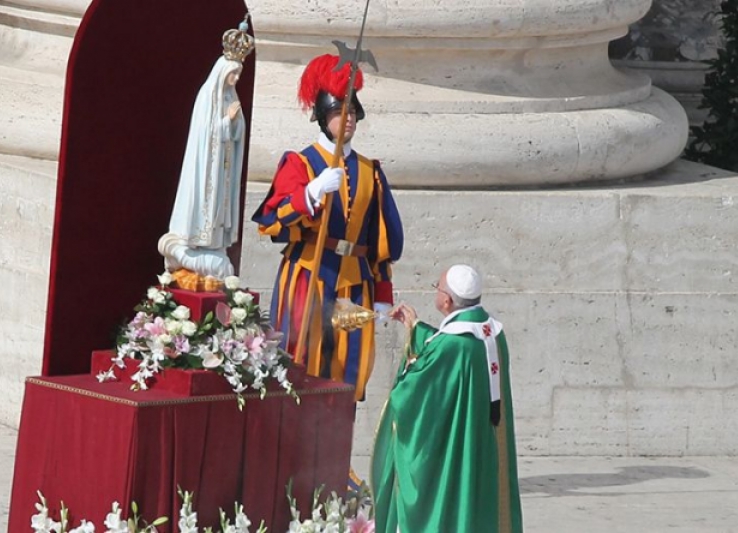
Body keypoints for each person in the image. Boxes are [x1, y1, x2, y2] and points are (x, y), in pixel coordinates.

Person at [252, 54, 404, 401]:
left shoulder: (371, 171)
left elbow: (379, 241)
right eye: (339, 112)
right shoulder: (301, 163)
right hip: (309, 277)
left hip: (355, 283)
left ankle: (338, 452)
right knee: (302, 366)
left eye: (352, 112)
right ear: (323, 117)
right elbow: (273, 220)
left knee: (349, 370)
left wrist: (382, 296)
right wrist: (311, 192)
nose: (347, 118)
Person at [372, 264, 523, 532]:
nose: (436, 291)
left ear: (447, 300)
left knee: (455, 497)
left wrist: (404, 379)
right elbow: (447, 354)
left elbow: (411, 393)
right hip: (485, 442)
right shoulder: (494, 334)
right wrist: (415, 326)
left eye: (437, 287)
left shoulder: (452, 345)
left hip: (459, 444)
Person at [158, 17, 254, 281]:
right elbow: (205, 134)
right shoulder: (207, 96)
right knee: (204, 204)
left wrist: (234, 124)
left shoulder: (231, 99)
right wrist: (227, 122)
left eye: (238, 74)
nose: (235, 79)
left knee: (219, 213)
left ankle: (213, 243)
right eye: (232, 74)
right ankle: (192, 242)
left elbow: (237, 135)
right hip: (207, 168)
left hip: (224, 168)